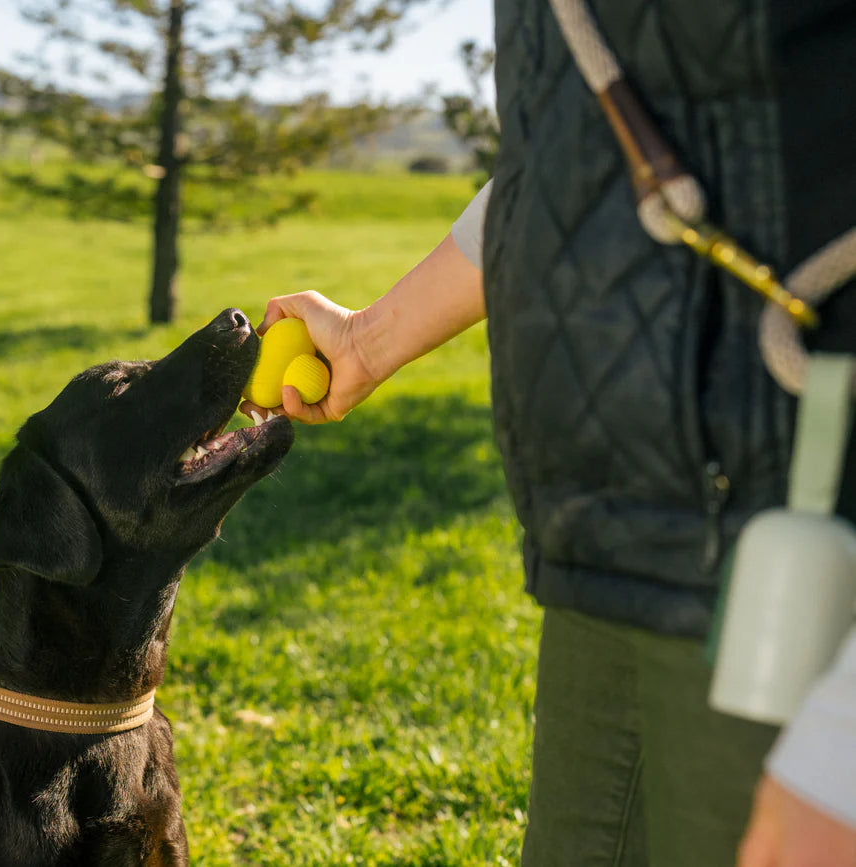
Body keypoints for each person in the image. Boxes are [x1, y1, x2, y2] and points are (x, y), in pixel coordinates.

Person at [248, 1, 856, 864]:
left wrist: (842, 750)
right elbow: (582, 159)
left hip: (795, 550)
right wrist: (370, 339)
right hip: (609, 530)